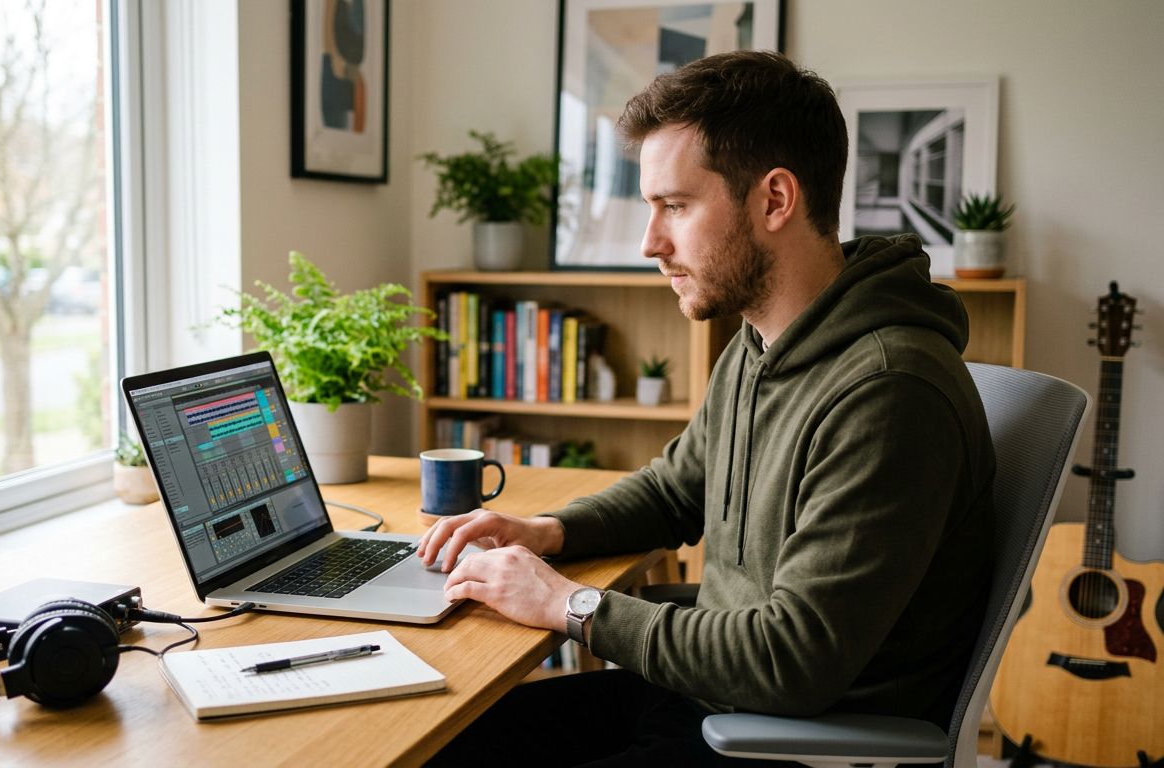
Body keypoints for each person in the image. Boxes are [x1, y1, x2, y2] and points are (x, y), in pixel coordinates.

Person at [420, 50, 995, 767]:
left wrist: (567, 606)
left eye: (676, 206)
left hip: (785, 742)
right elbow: (675, 489)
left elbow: (792, 660)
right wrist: (544, 532)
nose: (649, 243)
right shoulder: (763, 340)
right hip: (700, 696)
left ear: (775, 200)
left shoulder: (888, 392)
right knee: (432, 742)